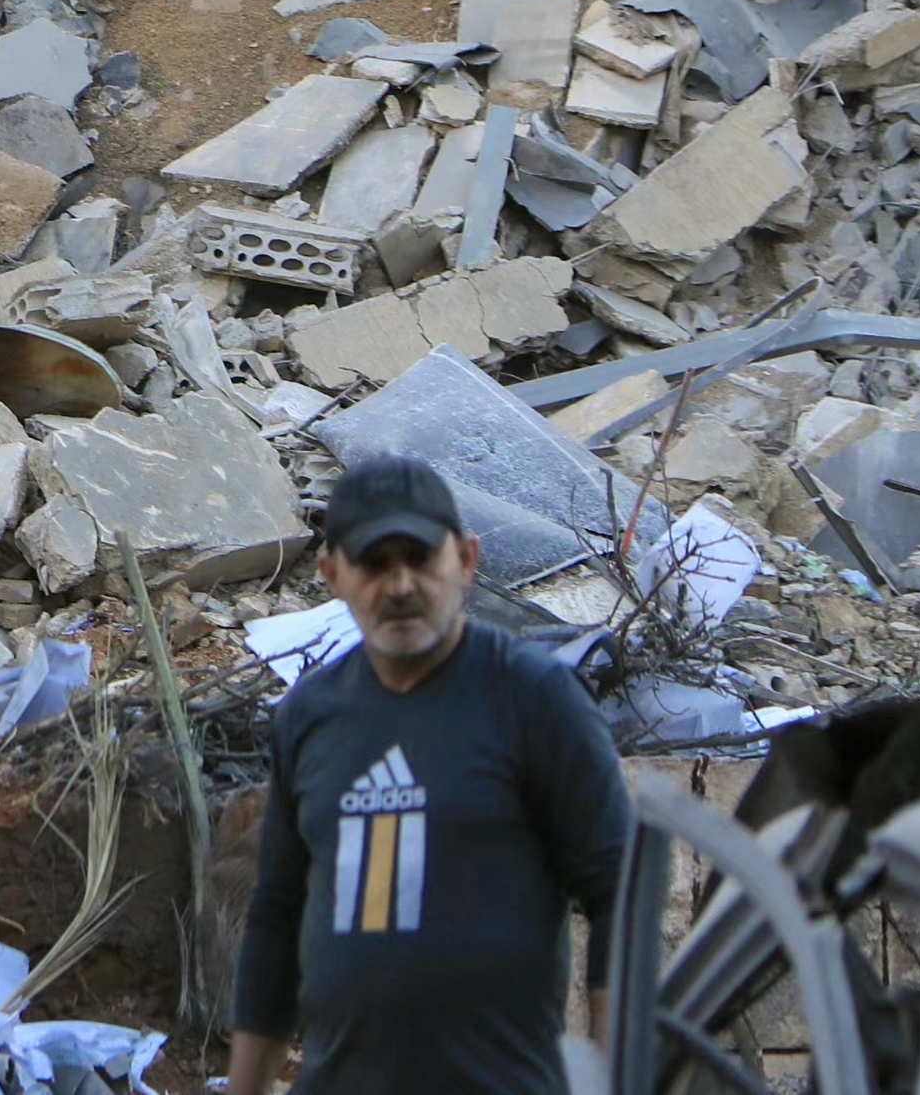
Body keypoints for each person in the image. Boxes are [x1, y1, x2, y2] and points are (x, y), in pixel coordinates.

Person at [225, 458, 633, 1095]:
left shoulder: (534, 699)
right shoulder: (310, 714)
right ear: (332, 575)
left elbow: (618, 896)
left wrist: (620, 1079)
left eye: (420, 558)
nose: (401, 584)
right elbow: (278, 915)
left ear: (466, 561)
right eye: (375, 563)